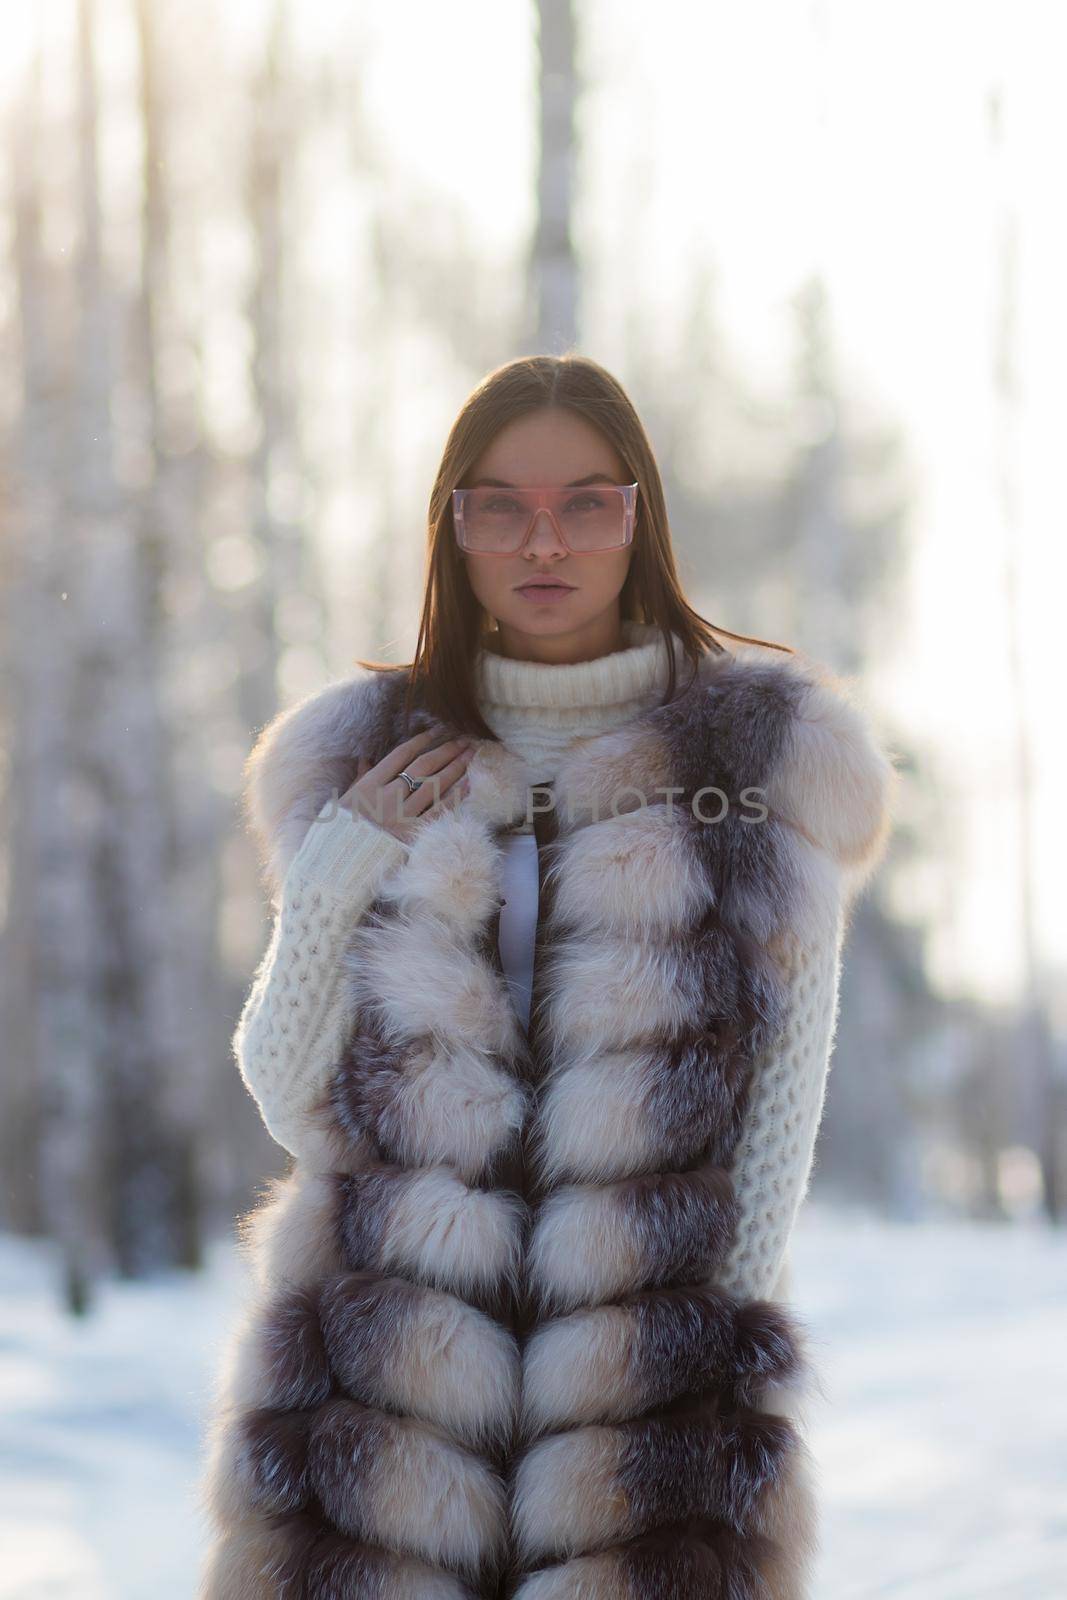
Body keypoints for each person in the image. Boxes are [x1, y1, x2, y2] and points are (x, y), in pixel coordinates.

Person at [197, 353, 897, 1599]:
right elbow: (291, 1097)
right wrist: (334, 875)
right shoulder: (367, 755)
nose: (543, 540)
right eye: (498, 504)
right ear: (451, 528)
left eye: (585, 502)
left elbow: (774, 1132)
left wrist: (668, 1381)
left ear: (639, 521)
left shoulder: (747, 765)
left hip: (641, 1433)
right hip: (379, 1418)